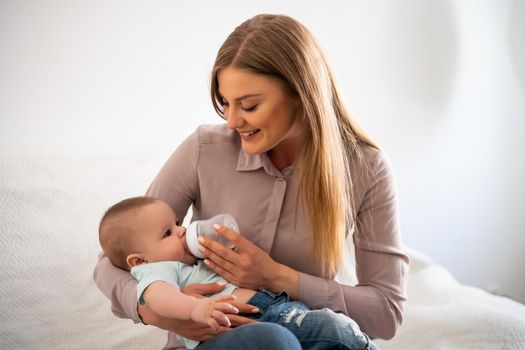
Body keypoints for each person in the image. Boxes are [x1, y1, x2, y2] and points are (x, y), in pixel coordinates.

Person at [94, 13, 409, 350]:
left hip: (306, 338)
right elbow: (114, 261)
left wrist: (277, 276)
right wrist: (162, 312)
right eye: (225, 103)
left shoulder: (366, 169)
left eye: (249, 105)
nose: (231, 121)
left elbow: (386, 313)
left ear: (301, 93)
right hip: (217, 343)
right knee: (272, 340)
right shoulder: (204, 150)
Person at [98, 195, 380, 349]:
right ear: (138, 261)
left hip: (274, 309)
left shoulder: (188, 262)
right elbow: (158, 299)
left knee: (329, 328)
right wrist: (195, 310)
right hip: (234, 329)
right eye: (168, 232)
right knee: (328, 329)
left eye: (178, 222)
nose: (183, 230)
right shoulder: (155, 272)